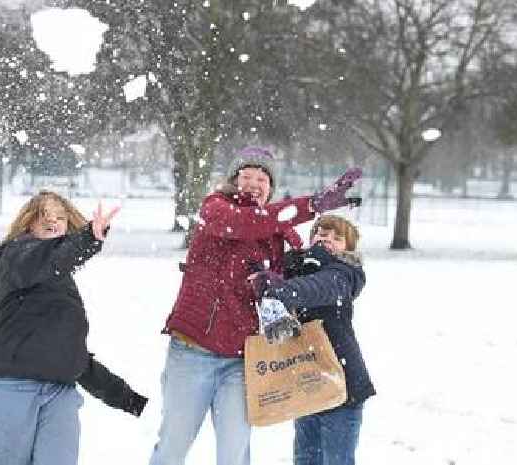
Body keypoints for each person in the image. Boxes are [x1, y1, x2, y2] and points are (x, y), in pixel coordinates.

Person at [148, 145, 362, 465]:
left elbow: (306, 277)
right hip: (194, 352)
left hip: (241, 360)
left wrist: (337, 267)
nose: (253, 183)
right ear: (233, 180)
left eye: (262, 178)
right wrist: (312, 204)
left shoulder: (279, 233)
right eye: (246, 175)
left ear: (271, 188)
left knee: (235, 453)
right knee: (173, 446)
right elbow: (243, 223)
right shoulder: (215, 209)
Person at [0, 190, 147, 465]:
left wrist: (124, 397)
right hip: (10, 391)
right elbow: (52, 256)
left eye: (61, 217)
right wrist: (89, 238)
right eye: (46, 217)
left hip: (59, 396)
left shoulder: (63, 284)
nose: (54, 221)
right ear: (29, 223)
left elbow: (69, 355)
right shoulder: (16, 256)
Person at [251, 214, 375, 465]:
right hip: (306, 381)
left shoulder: (346, 273)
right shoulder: (295, 267)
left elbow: (317, 287)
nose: (327, 239)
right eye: (321, 233)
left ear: (348, 249)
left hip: (342, 384)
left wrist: (277, 291)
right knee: (305, 459)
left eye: (337, 238)